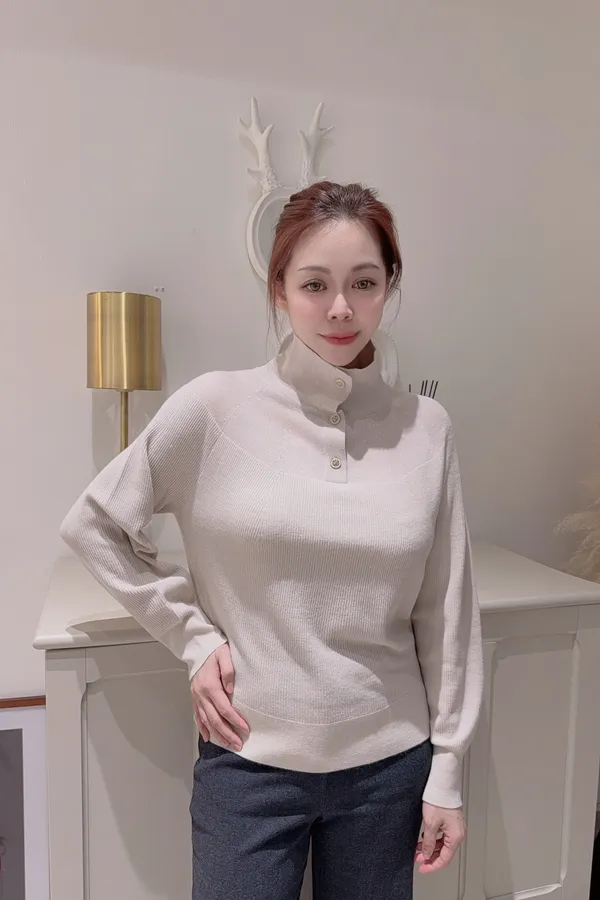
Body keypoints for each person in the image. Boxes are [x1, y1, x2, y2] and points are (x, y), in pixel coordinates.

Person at [60, 181, 483, 900]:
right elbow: (96, 523)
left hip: (391, 767)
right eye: (315, 284)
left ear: (389, 287)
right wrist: (194, 640)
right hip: (248, 758)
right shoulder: (215, 408)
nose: (341, 308)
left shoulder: (427, 428)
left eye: (364, 282)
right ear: (279, 290)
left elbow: (447, 610)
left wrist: (447, 769)